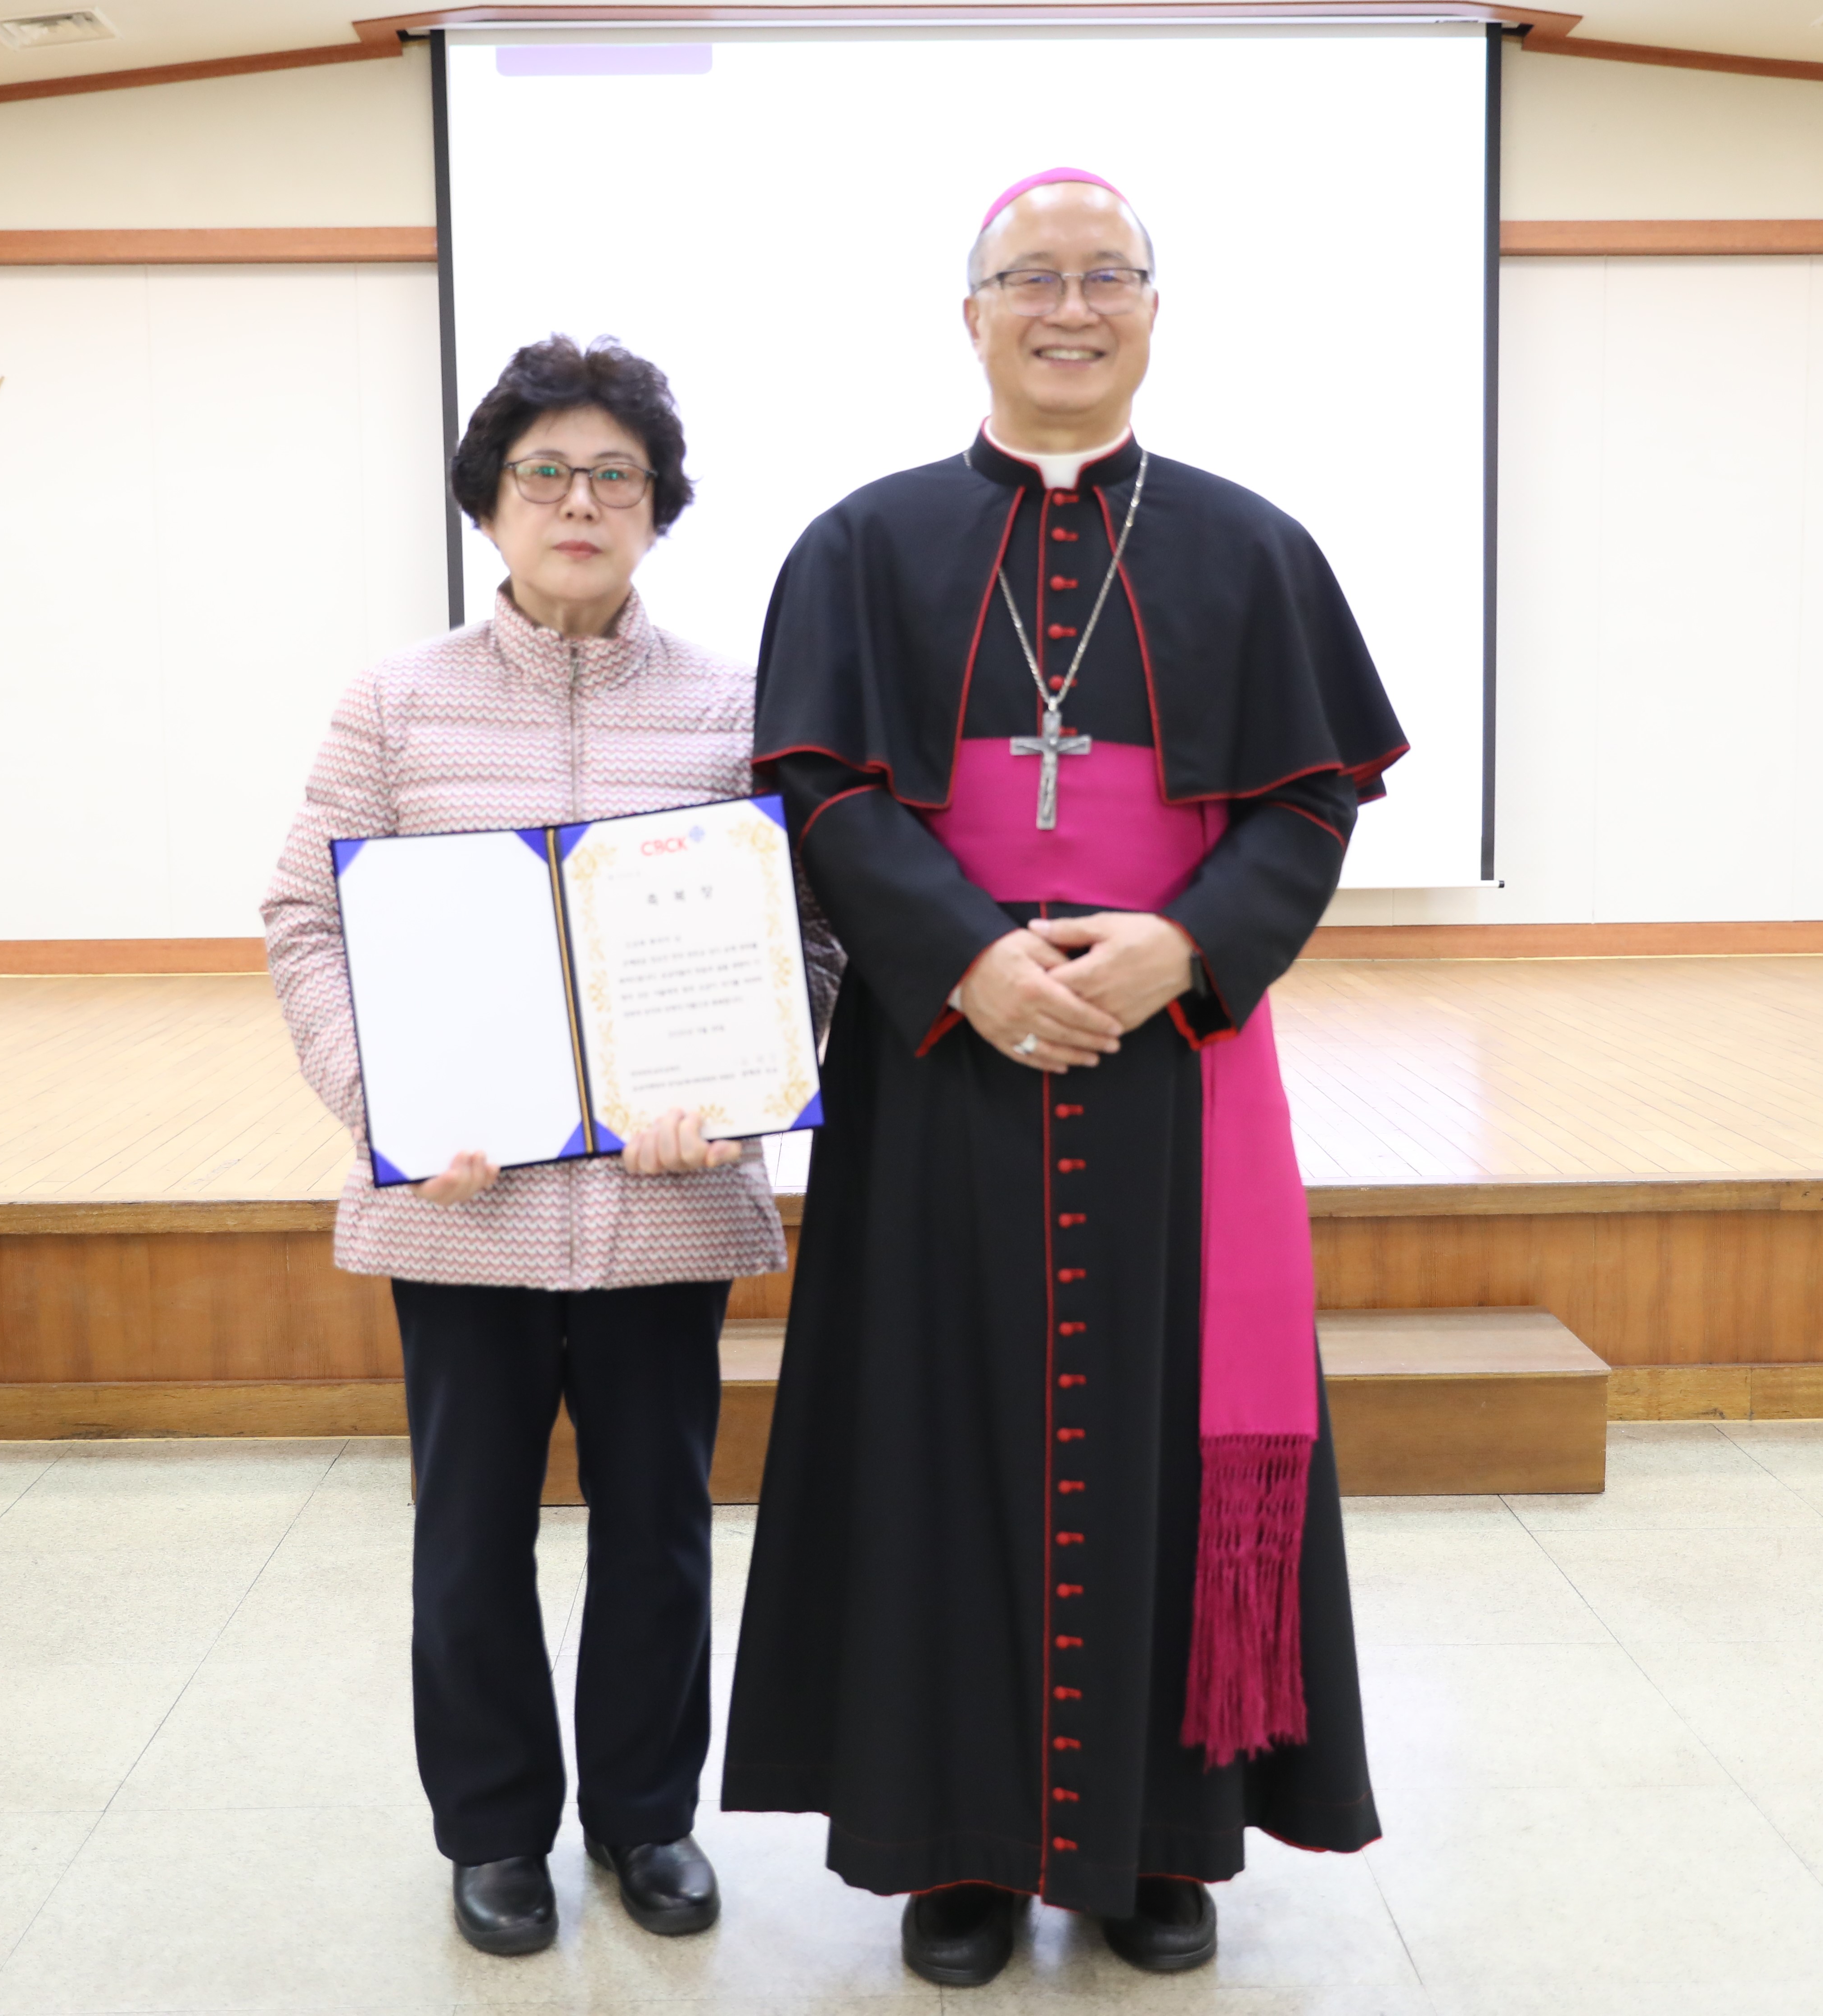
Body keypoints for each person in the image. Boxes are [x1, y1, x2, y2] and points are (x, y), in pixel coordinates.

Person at [723, 170, 1407, 1986]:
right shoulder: (864, 546)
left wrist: (1181, 946)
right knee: (931, 1435)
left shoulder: (1251, 548)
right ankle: (953, 1847)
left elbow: (1306, 798)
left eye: (1107, 275)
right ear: (972, 315)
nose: (1069, 305)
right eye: (1032, 276)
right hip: (941, 1058)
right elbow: (827, 790)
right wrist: (965, 956)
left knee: (1173, 1441)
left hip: (1171, 1065)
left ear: (1151, 313)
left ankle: (1153, 1847)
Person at [264, 335, 813, 1958]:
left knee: (657, 1529)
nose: (580, 501)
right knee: (468, 1532)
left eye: (615, 476)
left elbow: (810, 939)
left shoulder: (736, 706)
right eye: (545, 475)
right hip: (463, 1212)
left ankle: (647, 1821)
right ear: (489, 509)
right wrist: (386, 1103)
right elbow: (304, 914)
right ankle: (493, 1829)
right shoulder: (395, 704)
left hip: (664, 1203)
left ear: (659, 509)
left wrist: (733, 1089)